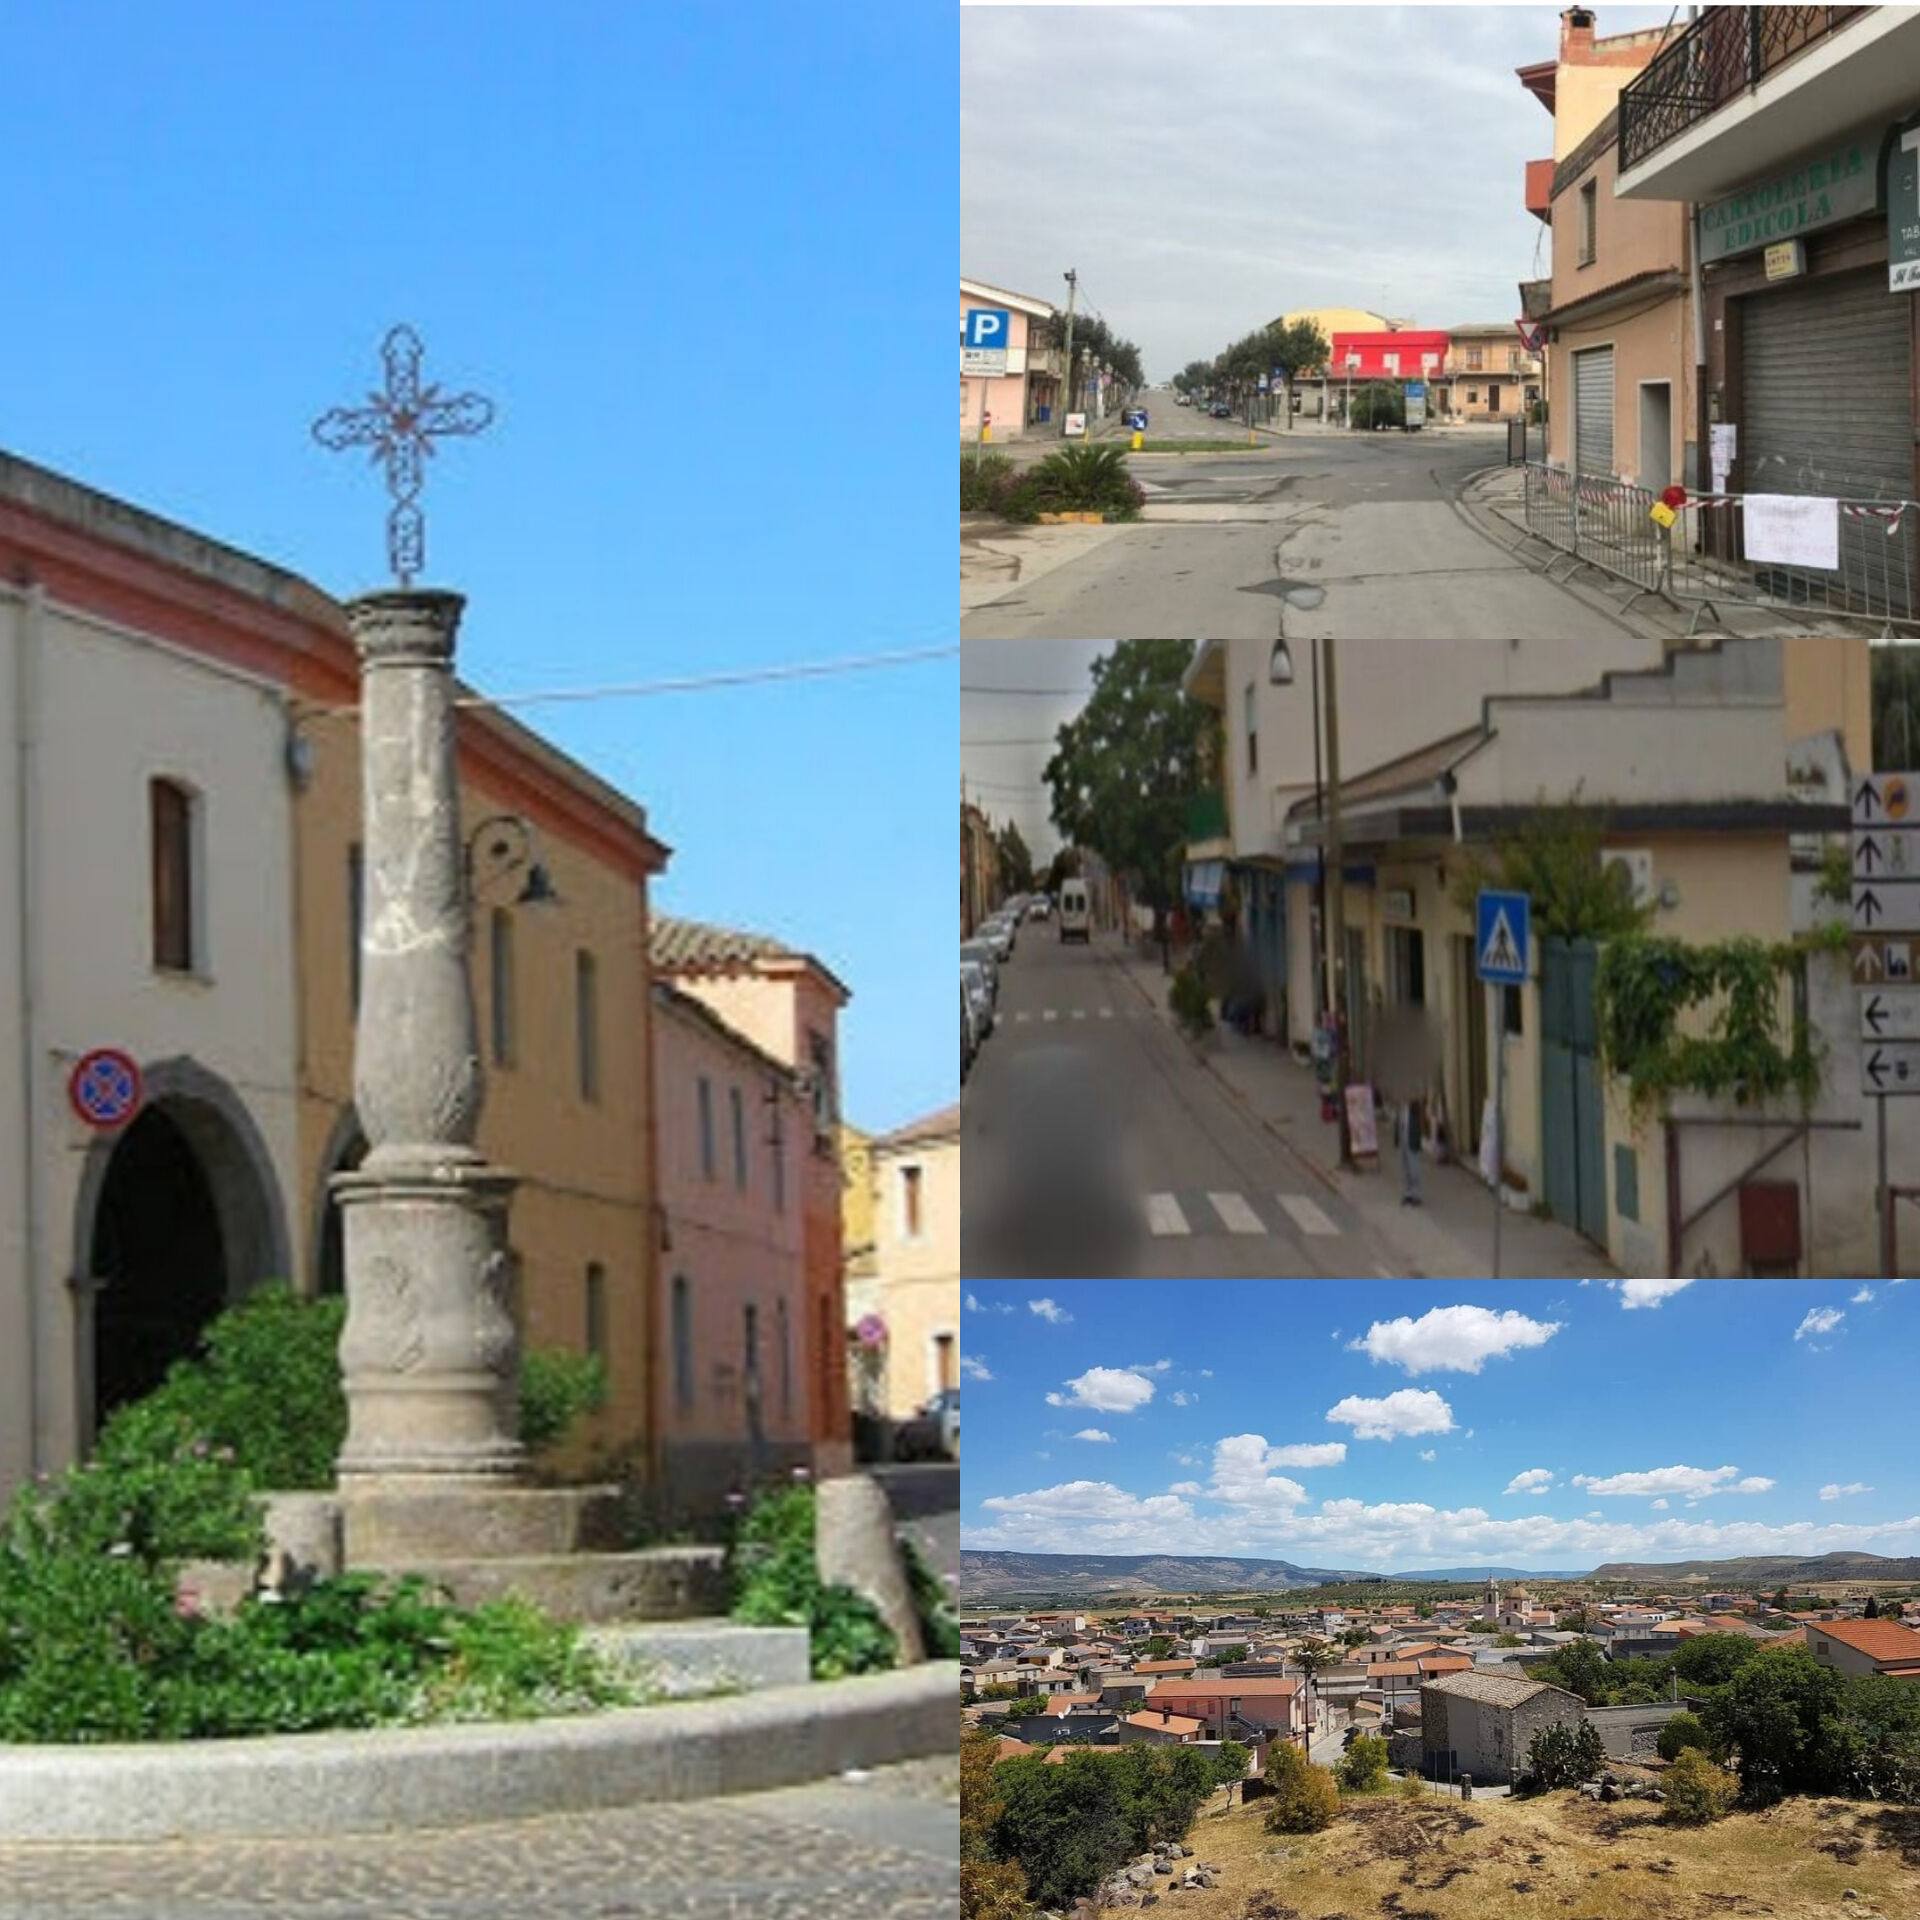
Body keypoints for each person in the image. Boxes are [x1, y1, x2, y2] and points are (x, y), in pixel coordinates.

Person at [1398, 1089, 1425, 1207]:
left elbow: (1420, 1120)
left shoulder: (1415, 1106)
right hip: (1403, 1137)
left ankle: (1416, 1195)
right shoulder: (1401, 1107)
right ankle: (1408, 1193)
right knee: (1405, 1167)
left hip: (1412, 1138)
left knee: (1414, 1168)